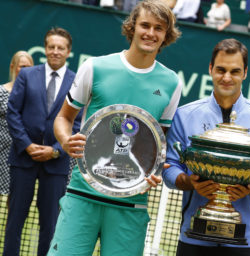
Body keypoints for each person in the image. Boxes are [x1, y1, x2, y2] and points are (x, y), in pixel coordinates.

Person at [47, 1, 182, 255]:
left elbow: (156, 144)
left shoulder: (172, 83)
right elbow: (63, 118)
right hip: (82, 195)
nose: (150, 33)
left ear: (166, 35)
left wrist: (154, 169)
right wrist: (65, 141)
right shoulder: (95, 67)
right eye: (145, 25)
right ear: (132, 27)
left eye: (159, 28)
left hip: (131, 205)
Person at [162, 38, 250, 256]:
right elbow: (170, 166)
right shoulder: (185, 114)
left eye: (235, 71)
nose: (227, 78)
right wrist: (189, 182)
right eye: (220, 70)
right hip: (193, 237)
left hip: (244, 241)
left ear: (245, 73)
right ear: (210, 69)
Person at [3, 27, 82, 256]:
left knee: (50, 224)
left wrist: (56, 150)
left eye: (61, 48)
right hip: (22, 159)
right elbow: (13, 112)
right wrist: (26, 144)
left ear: (69, 52)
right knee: (15, 220)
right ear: (45, 49)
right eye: (51, 47)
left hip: (56, 164)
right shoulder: (27, 75)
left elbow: (77, 125)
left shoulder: (77, 81)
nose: (55, 51)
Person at [0, 51, 33, 208]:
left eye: (29, 67)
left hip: (22, 155)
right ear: (13, 67)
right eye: (22, 66)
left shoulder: (36, 95)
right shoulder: (1, 92)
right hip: (2, 152)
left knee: (15, 201)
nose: (25, 70)